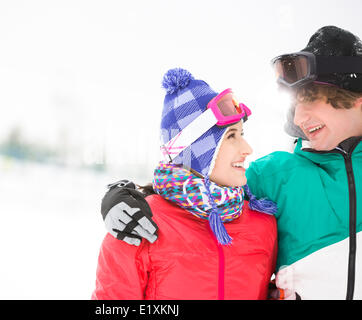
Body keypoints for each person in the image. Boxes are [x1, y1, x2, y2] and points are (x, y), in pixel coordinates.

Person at [99, 26, 362, 300]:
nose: (297, 118)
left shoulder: (260, 224)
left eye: (311, 101)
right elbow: (196, 183)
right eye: (295, 105)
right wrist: (120, 196)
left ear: (355, 97)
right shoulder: (276, 176)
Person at [92, 68, 278, 300]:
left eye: (242, 133)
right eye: (231, 136)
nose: (247, 149)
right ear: (197, 151)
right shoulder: (138, 225)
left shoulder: (263, 224)